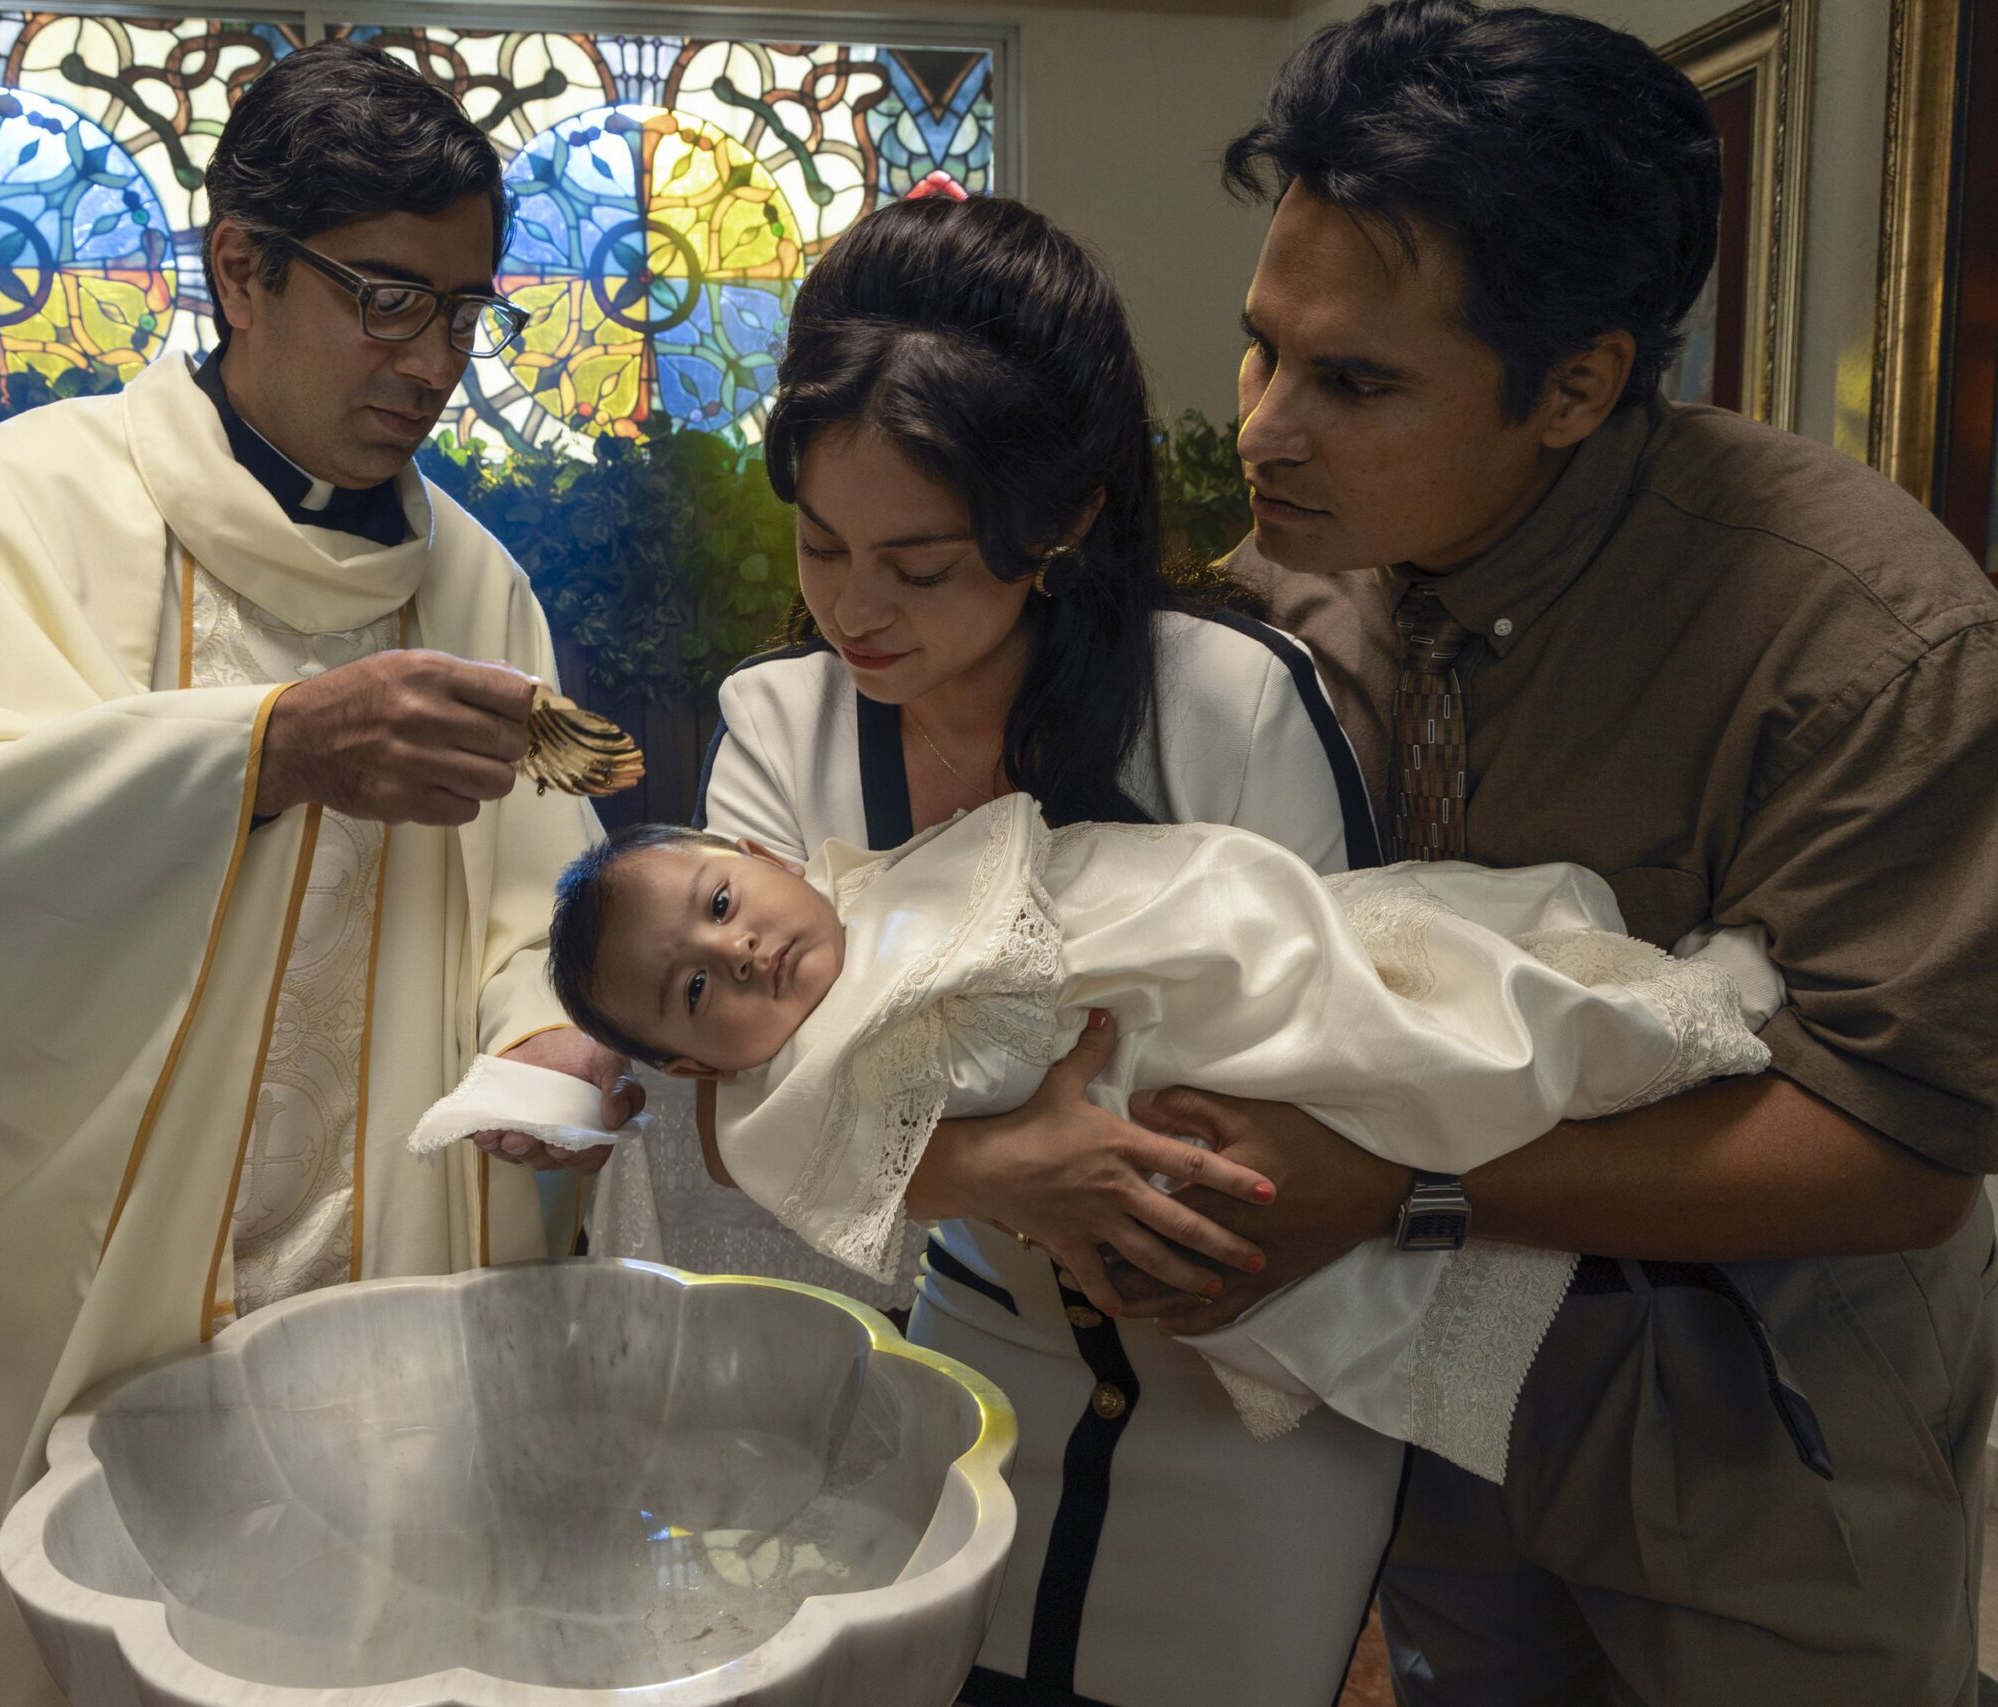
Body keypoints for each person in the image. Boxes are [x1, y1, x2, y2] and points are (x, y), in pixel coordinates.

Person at [1123, 4, 1998, 1702]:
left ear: (1580, 385)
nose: (1264, 430)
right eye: (1261, 349)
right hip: (1442, 1418)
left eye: (1355, 381)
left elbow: (1895, 1151)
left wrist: (1397, 1186)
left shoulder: (1870, 642)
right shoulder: (1292, 580)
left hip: (1767, 1434)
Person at [0, 44, 632, 1707]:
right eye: (388, 298)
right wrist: (265, 748)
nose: (435, 362)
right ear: (240, 268)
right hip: (91, 1292)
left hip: (390, 1288)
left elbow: (542, 900)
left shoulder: (478, 584)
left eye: (468, 309)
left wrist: (551, 1023)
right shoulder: (6, 510)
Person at [691, 192, 1405, 1706]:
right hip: (976, 1355)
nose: (855, 610)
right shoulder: (780, 726)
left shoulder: (1230, 702)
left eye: (922, 565)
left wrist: (929, 1145)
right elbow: (740, 1108)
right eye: (820, 544)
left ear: (1066, 516)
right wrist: (1007, 1171)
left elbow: (1353, 1059)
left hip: (1260, 1372)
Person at [512, 802, 1770, 1485]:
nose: (735, 951)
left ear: (758, 857)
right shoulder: (795, 1088)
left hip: (1214, 950)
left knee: (1410, 981)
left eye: (721, 902)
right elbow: (849, 1143)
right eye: (693, 988)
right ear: (695, 1067)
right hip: (1173, 1097)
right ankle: (1646, 1033)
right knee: (1428, 1071)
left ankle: (1638, 1021)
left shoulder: (882, 879)